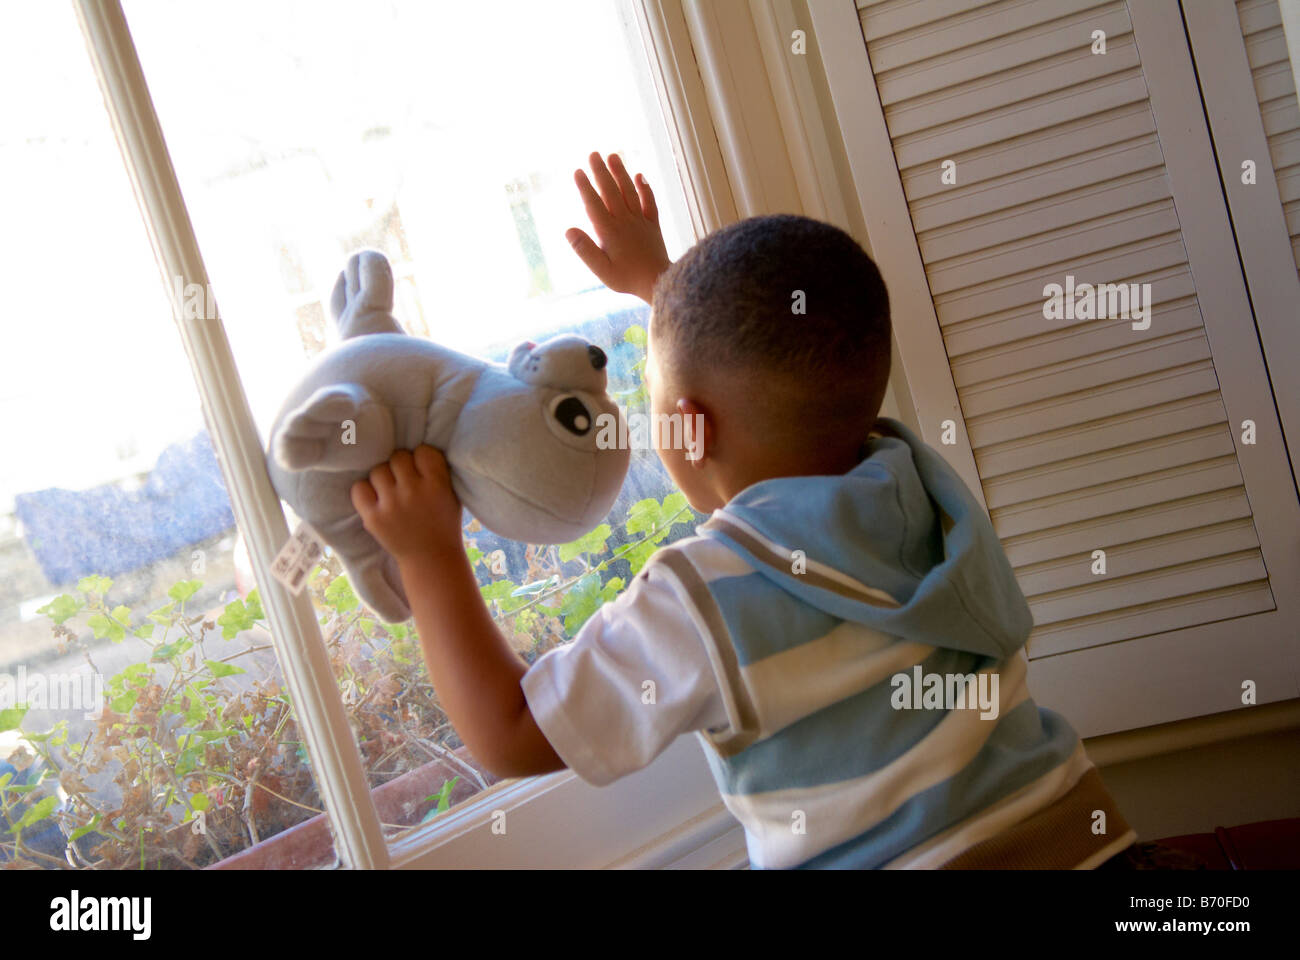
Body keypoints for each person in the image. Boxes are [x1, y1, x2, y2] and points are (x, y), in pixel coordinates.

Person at [350, 151, 1148, 869]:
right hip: (1089, 843)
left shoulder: (704, 597)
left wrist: (428, 558)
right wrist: (673, 294)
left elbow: (514, 732)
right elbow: (784, 377)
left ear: (688, 429)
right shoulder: (921, 489)